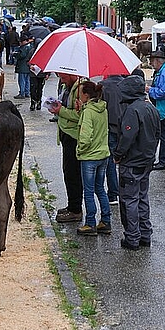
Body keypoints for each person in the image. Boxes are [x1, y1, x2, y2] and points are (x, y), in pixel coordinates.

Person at [114, 74, 160, 250]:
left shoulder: (133, 110)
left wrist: (118, 154)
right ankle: (145, 234)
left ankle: (132, 237)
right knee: (142, 197)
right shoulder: (151, 108)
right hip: (146, 160)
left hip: (132, 162)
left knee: (129, 200)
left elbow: (127, 137)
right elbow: (157, 134)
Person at [74, 81, 112, 236]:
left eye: (81, 92)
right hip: (103, 154)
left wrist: (80, 150)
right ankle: (105, 221)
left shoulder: (89, 111)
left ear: (86, 95)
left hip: (90, 156)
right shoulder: (102, 108)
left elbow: (85, 136)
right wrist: (81, 110)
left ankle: (90, 223)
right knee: (100, 189)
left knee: (88, 191)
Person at [48, 73, 86, 224]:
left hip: (74, 137)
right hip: (66, 134)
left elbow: (80, 115)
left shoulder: (80, 89)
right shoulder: (68, 86)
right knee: (68, 172)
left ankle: (76, 210)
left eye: (63, 76)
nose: (60, 78)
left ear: (72, 74)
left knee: (73, 174)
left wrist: (60, 111)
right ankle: (72, 205)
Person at [100, 71, 129, 205]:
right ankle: (126, 191)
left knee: (110, 161)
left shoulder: (103, 86)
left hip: (109, 126)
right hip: (125, 127)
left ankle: (113, 193)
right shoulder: (127, 85)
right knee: (125, 159)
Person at [13, 33, 33, 100]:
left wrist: (15, 54)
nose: (20, 43)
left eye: (21, 42)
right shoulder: (31, 46)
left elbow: (22, 55)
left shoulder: (24, 47)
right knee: (27, 80)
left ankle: (22, 93)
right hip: (28, 67)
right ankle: (27, 93)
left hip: (22, 66)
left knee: (22, 81)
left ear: (24, 41)